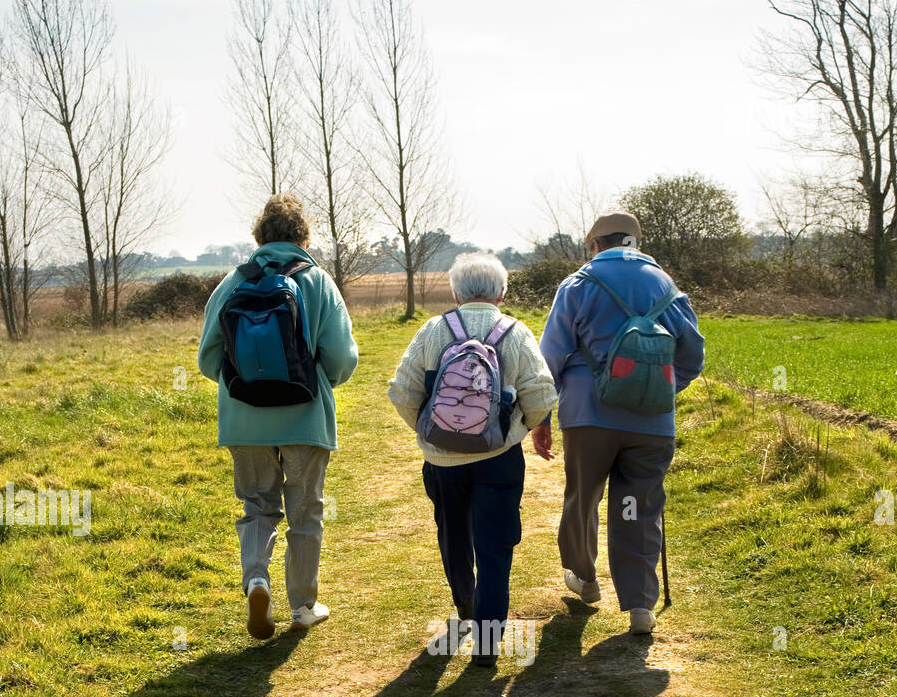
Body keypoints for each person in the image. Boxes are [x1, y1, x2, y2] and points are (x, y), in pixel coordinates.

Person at [197, 194, 358, 640]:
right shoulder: (318, 281)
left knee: (257, 506)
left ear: (259, 237)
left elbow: (208, 359)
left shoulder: (232, 282)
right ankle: (304, 605)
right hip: (305, 417)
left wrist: (245, 386)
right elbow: (342, 359)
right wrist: (314, 379)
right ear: (304, 236)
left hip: (244, 419)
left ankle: (256, 580)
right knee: (305, 510)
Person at [536, 210, 705, 634]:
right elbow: (693, 355)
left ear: (596, 245)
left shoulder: (578, 283)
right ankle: (640, 606)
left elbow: (549, 358)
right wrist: (659, 389)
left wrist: (542, 415)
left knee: (584, 497)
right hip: (652, 421)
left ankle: (585, 578)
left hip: (587, 416)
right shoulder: (668, 286)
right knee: (638, 507)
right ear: (635, 243)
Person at [388, 252, 556, 665]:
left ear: (455, 292)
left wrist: (432, 433)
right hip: (498, 458)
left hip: (442, 462)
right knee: (496, 546)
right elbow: (541, 394)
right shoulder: (515, 333)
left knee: (453, 534)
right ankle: (487, 640)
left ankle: (464, 603)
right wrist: (519, 428)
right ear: (502, 291)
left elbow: (402, 391)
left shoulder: (432, 330)